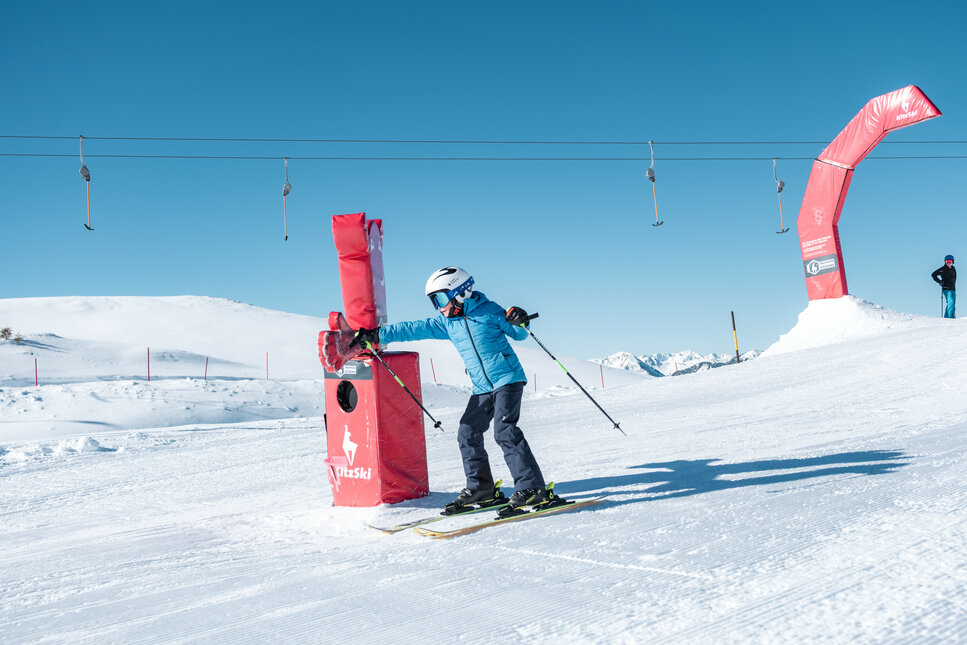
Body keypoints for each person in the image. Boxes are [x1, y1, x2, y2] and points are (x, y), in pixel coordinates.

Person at [351, 266, 564, 518]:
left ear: (460, 292)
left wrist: (520, 318)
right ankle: (482, 488)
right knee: (467, 431)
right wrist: (377, 334)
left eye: (440, 299)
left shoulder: (489, 311)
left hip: (507, 379)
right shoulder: (447, 323)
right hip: (482, 387)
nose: (438, 307)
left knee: (505, 431)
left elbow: (518, 333)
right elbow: (414, 328)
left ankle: (532, 488)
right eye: (434, 301)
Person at [931, 255, 956, 319]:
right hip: (946, 289)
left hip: (953, 289)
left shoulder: (953, 269)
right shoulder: (943, 269)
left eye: (950, 261)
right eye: (947, 261)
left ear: (953, 261)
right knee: (951, 302)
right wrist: (939, 281)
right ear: (945, 262)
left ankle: (947, 317)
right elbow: (933, 274)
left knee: (952, 303)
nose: (949, 262)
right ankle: (951, 317)